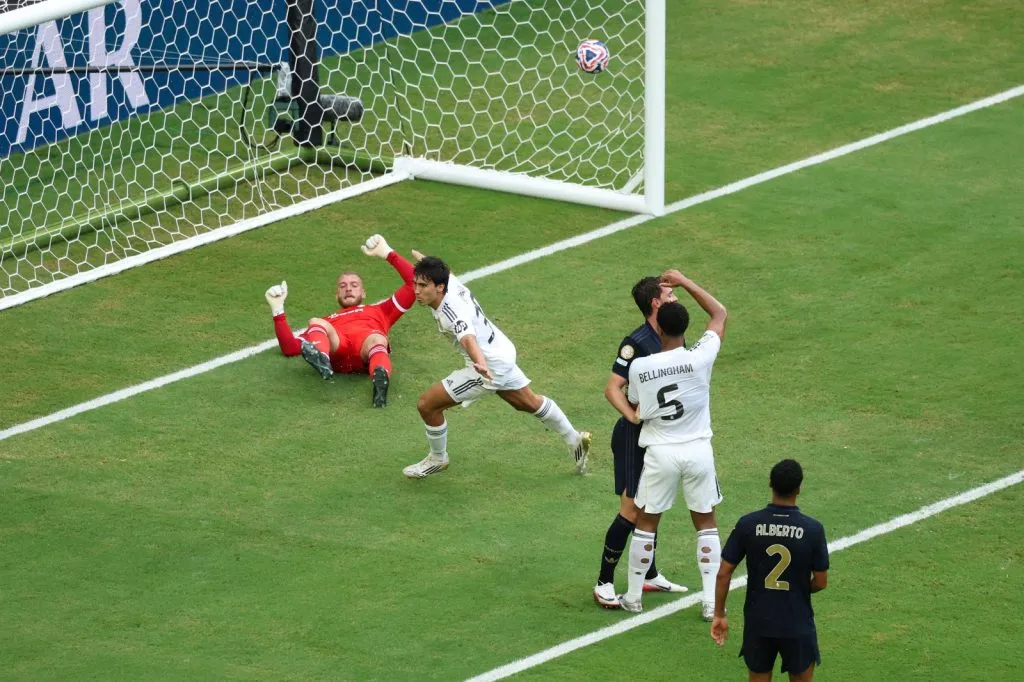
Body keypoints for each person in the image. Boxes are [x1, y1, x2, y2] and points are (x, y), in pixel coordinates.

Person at [401, 254, 591, 479]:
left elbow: (468, 338)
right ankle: (574, 438)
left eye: (423, 286)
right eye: (415, 284)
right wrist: (395, 254)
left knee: (427, 405)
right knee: (527, 402)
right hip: (502, 351)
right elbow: (438, 270)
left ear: (440, 287)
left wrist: (479, 364)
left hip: (488, 366)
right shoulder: (450, 282)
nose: (416, 290)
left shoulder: (452, 312)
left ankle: (438, 457)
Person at [615, 270, 727, 620]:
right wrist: (686, 281)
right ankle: (710, 601)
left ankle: (633, 597)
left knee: (646, 523)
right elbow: (719, 314)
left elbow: (634, 404)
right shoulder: (700, 357)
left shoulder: (641, 367)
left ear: (658, 328)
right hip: (697, 450)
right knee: (706, 523)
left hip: (660, 453)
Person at [592, 276, 688, 609]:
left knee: (652, 504)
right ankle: (604, 581)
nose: (675, 298)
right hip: (634, 438)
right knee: (632, 509)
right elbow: (612, 388)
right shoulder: (637, 342)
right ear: (655, 303)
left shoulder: (674, 334)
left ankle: (648, 574)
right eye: (670, 294)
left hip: (660, 436)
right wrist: (633, 417)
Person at [711, 459, 829, 682]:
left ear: (770, 484)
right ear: (799, 488)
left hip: (759, 623)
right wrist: (798, 589)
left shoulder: (748, 524)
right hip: (797, 622)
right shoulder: (813, 529)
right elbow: (821, 582)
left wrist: (719, 614)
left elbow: (723, 573)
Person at [264, 234, 415, 407]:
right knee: (316, 321)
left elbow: (413, 284)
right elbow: (290, 348)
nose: (348, 288)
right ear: (337, 295)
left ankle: (380, 380)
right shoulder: (328, 321)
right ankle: (322, 360)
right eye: (343, 286)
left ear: (363, 293)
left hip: (366, 349)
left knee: (377, 338)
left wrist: (388, 253)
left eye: (354, 285)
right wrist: (277, 310)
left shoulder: (381, 310)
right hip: (338, 349)